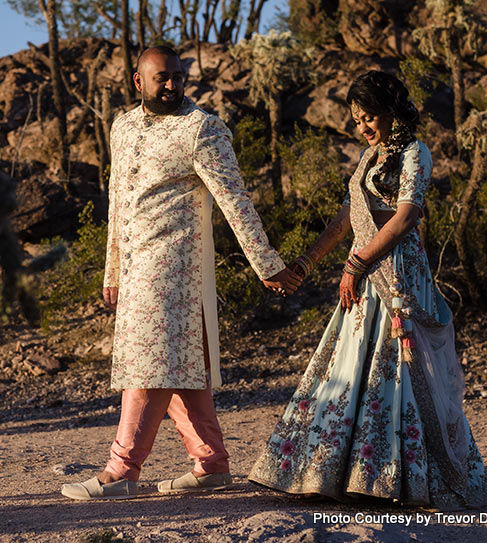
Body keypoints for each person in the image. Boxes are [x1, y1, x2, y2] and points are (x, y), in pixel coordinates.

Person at [61, 46, 302, 500]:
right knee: (176, 366)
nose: (172, 85)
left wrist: (266, 264)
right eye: (161, 78)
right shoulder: (123, 125)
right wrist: (111, 270)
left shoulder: (202, 129)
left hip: (176, 270)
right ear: (138, 82)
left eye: (177, 76)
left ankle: (121, 471)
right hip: (134, 270)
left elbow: (236, 201)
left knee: (149, 368)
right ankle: (211, 464)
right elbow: (116, 202)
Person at [248, 70, 487, 509]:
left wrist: (358, 263)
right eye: (357, 119)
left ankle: (400, 481)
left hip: (397, 276)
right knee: (351, 367)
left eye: (369, 117)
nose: (362, 127)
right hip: (362, 277)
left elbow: (406, 216)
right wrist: (307, 262)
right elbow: (347, 216)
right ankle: (344, 474)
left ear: (391, 111)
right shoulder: (369, 156)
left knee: (398, 371)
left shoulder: (415, 153)